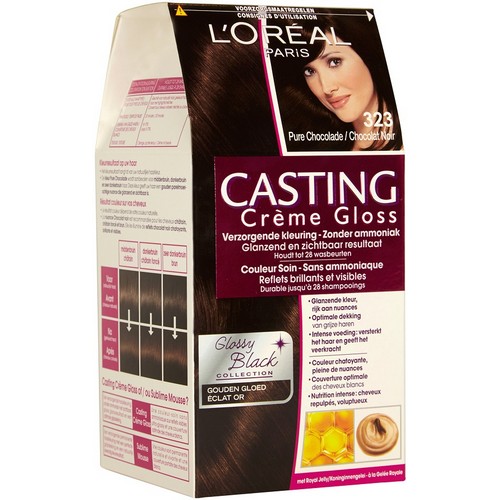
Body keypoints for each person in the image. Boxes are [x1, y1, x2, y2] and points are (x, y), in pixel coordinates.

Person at [270, 13, 403, 151]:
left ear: (366, 55)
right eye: (309, 71)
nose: (326, 88)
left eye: (335, 62)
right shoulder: (322, 146)